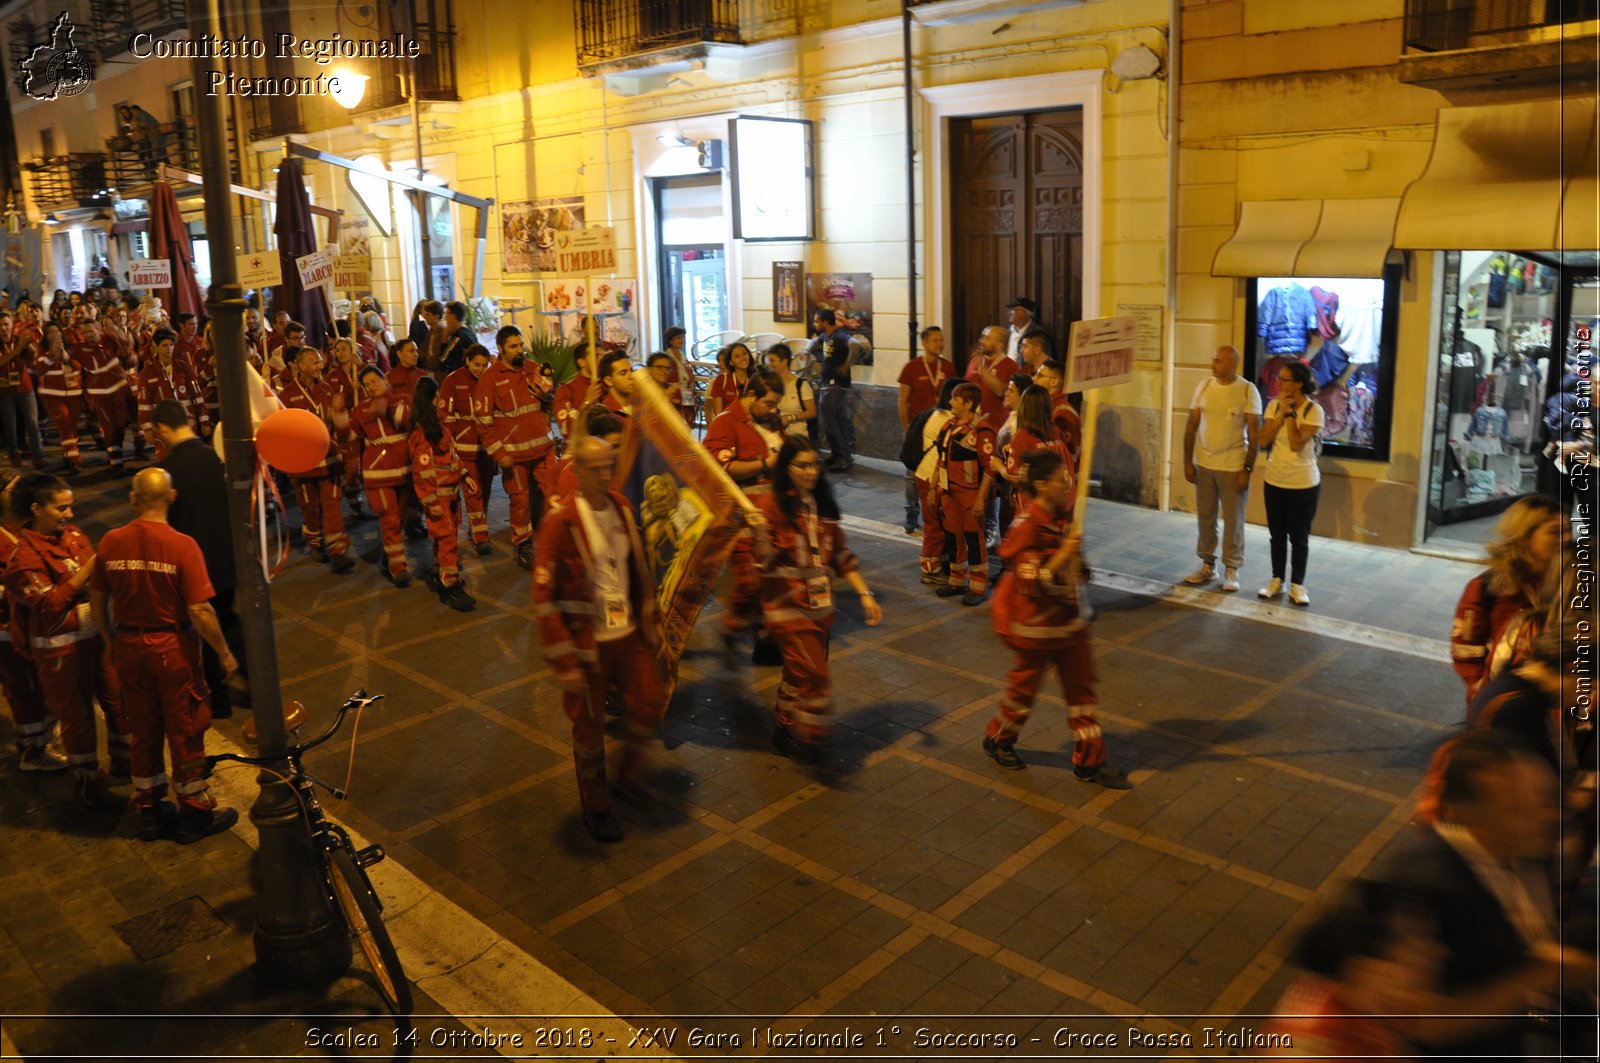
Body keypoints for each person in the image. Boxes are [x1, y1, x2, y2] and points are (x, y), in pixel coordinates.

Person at [1369, 729, 1597, 1059]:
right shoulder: (1423, 888)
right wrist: (1539, 974)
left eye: (1542, 801)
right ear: (1474, 817)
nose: (1547, 817)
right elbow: (1421, 1020)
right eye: (1519, 809)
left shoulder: (1518, 849)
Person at [89, 468, 239, 843]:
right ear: (171, 498)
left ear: (133, 498)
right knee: (185, 726)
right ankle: (194, 812)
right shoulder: (181, 545)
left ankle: (150, 811)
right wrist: (224, 652)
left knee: (143, 728)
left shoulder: (110, 541)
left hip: (129, 646)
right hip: (171, 649)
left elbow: (97, 599)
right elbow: (201, 611)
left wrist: (110, 639)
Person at [532, 435, 668, 844]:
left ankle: (626, 774)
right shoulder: (562, 522)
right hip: (588, 643)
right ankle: (596, 804)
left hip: (627, 634)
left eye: (610, 466)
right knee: (589, 731)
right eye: (596, 468)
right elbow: (543, 597)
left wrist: (652, 615)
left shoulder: (623, 509)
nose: (606, 474)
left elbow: (639, 569)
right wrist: (565, 663)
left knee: (651, 701)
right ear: (578, 470)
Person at [979, 451, 1131, 787]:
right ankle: (998, 738)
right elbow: (1033, 582)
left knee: (1082, 692)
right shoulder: (1026, 528)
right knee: (1024, 690)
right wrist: (1064, 553)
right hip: (1037, 626)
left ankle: (1090, 761)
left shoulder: (1064, 521)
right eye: (1062, 479)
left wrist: (1079, 561)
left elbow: (1080, 574)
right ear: (1042, 485)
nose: (1068, 484)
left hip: (1070, 624)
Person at [746, 437, 882, 765]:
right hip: (787, 610)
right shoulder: (772, 507)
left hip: (820, 610)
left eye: (813, 464)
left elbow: (841, 555)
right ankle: (813, 739)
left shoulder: (822, 506)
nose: (810, 471)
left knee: (796, 675)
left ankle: (783, 729)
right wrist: (761, 538)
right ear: (786, 468)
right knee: (815, 676)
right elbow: (764, 563)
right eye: (801, 465)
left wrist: (865, 595)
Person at [6, 473, 128, 808]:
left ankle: (126, 764)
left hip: (97, 639)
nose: (70, 515)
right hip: (61, 652)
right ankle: (88, 782)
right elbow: (48, 604)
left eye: (70, 506)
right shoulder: (23, 556)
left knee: (119, 703)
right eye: (61, 508)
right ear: (36, 508)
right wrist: (87, 570)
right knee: (78, 719)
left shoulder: (72, 535)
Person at [153, 400, 248, 718]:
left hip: (194, 564)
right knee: (227, 617)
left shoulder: (166, 473)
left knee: (204, 630)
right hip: (224, 557)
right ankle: (252, 677)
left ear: (163, 429)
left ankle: (219, 700)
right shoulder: (213, 457)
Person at [1449, 495, 1564, 705]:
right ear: (1525, 536)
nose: (1565, 539)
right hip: (1503, 706)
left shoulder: (1571, 582)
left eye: (1567, 531)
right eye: (1555, 532)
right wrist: (1481, 688)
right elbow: (1465, 649)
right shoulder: (1488, 587)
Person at [704, 370, 785, 662]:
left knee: (773, 577)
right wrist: (766, 463)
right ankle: (733, 627)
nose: (774, 410)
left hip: (775, 514)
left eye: (776, 405)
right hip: (742, 517)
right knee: (750, 579)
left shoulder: (772, 422)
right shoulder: (725, 423)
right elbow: (719, 469)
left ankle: (766, 639)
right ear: (751, 396)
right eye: (769, 404)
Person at [474, 325, 556, 569]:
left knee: (555, 492)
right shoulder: (490, 379)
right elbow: (483, 422)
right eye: (514, 346)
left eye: (521, 345)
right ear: (500, 349)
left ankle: (555, 538)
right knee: (519, 501)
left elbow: (550, 404)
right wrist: (499, 453)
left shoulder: (533, 370)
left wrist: (546, 397)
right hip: (514, 455)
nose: (520, 350)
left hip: (544, 449)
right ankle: (523, 545)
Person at [1182, 344, 1260, 593]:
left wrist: (1247, 469)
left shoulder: (1247, 390)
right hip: (1205, 464)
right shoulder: (1204, 386)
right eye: (1213, 360)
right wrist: (1187, 460)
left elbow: (1255, 435)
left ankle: (1232, 568)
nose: (1212, 365)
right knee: (1205, 517)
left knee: (1233, 520)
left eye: (1217, 361)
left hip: (1233, 466)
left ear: (1232, 364)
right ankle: (1207, 563)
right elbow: (1191, 425)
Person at [0, 469, 58, 771]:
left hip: (32, 627)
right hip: (8, 632)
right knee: (24, 690)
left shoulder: (26, 530)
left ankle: (39, 740)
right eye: (15, 490)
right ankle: (32, 752)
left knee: (39, 687)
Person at [277, 346, 354, 573]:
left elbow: (341, 430)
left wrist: (339, 417)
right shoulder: (286, 395)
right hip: (302, 463)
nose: (321, 366)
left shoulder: (329, 391)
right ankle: (315, 541)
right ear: (301, 366)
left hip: (329, 458)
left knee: (332, 504)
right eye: (315, 362)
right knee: (309, 506)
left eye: (321, 362)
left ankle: (338, 550)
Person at [1255, 360, 1324, 606]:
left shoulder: (1314, 411)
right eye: (1279, 379)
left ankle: (1298, 584)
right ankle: (1277, 579)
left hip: (1303, 483)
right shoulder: (1274, 406)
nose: (1278, 383)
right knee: (1277, 535)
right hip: (1275, 479)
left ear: (1298, 384)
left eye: (1284, 379)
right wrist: (1278, 415)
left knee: (1299, 536)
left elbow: (1296, 443)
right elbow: (1262, 440)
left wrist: (1291, 414)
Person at [409, 377, 476, 612]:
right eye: (437, 398)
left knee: (445, 539)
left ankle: (441, 574)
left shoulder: (441, 431)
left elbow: (452, 460)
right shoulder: (425, 435)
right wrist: (431, 501)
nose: (442, 403)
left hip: (449, 495)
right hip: (439, 497)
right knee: (447, 541)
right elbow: (422, 470)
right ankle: (451, 585)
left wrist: (465, 476)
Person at [932, 382, 997, 606]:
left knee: (973, 539)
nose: (950, 402)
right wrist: (934, 488)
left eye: (954, 399)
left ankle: (978, 586)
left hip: (970, 495)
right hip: (949, 493)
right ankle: (957, 580)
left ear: (968, 404)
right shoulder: (949, 426)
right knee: (952, 536)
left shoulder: (982, 431)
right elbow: (940, 458)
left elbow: (990, 468)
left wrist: (980, 498)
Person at [350, 366, 413, 587]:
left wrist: (388, 408)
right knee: (390, 519)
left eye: (374, 381)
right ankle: (399, 567)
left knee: (400, 517)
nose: (371, 387)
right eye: (366, 384)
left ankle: (390, 553)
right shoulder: (359, 410)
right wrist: (339, 419)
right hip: (378, 475)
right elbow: (351, 437)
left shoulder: (402, 399)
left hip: (404, 472)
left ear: (385, 380)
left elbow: (407, 421)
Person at [898, 326, 956, 535]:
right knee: (912, 474)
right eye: (935, 341)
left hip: (941, 429)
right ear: (924, 343)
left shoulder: (948, 368)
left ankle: (936, 513)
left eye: (941, 340)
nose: (940, 344)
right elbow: (903, 401)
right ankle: (911, 513)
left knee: (939, 472)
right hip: (917, 430)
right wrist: (906, 430)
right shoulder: (911, 368)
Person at [438, 344, 495, 556]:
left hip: (488, 447)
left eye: (484, 365)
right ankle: (481, 537)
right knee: (474, 490)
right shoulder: (452, 381)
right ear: (467, 361)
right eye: (477, 364)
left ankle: (477, 525)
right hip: (464, 448)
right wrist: (450, 446)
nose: (481, 369)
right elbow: (445, 419)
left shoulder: (490, 380)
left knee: (486, 490)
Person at [911, 378, 959, 583]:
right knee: (935, 524)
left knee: (934, 522)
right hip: (932, 476)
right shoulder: (946, 420)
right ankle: (930, 568)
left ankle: (934, 562)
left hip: (926, 473)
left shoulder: (935, 414)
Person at [71, 318, 131, 475]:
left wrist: (117, 332)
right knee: (109, 426)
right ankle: (116, 463)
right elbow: (70, 364)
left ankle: (115, 453)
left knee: (121, 425)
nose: (88, 335)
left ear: (98, 328)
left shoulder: (109, 340)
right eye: (84, 332)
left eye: (90, 331)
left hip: (119, 390)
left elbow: (127, 350)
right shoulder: (78, 349)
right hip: (98, 395)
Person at [807, 310, 862, 473]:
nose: (814, 324)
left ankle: (843, 457)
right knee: (837, 420)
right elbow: (814, 342)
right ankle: (839, 455)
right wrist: (805, 350)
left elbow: (855, 344)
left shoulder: (839, 336)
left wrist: (847, 364)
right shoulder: (826, 336)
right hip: (829, 384)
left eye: (817, 321)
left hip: (835, 384)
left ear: (825, 322)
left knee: (830, 421)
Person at [136, 327, 210, 445]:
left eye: (171, 345)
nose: (168, 349)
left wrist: (204, 421)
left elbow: (197, 397)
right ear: (156, 347)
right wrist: (147, 428)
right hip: (164, 426)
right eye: (164, 345)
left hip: (187, 423)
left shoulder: (184, 367)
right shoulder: (147, 372)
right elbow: (144, 404)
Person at [33, 322, 85, 474]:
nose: (55, 335)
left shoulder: (71, 348)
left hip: (74, 394)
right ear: (46, 336)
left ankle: (68, 454)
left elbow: (79, 366)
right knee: (65, 424)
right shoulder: (42, 352)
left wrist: (68, 359)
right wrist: (53, 356)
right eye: (50, 333)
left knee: (71, 427)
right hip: (52, 396)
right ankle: (74, 461)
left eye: (57, 332)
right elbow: (39, 369)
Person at [0, 310, 45, 469]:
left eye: (6, 324)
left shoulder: (20, 340)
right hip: (5, 391)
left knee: (32, 422)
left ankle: (38, 455)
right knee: (9, 424)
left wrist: (30, 346)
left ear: (12, 325)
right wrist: (16, 351)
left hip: (25, 388)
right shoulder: (14, 346)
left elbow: (34, 355)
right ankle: (14, 454)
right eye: (0, 326)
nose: (3, 329)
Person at [965, 326, 1017, 433]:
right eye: (982, 337)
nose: (981, 341)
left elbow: (1001, 391)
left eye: (987, 338)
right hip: (971, 425)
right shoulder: (975, 361)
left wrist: (983, 369)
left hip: (995, 427)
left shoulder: (1011, 366)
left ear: (1000, 345)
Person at [764, 344, 815, 441]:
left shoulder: (801, 385)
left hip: (797, 438)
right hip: (776, 438)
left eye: (772, 361)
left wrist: (790, 418)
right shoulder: (769, 384)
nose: (770, 365)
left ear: (784, 361)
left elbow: (811, 412)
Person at [706, 342, 753, 424]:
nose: (743, 358)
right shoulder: (721, 380)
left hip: (749, 429)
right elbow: (719, 415)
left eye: (744, 353)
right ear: (731, 362)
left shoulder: (755, 380)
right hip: (728, 429)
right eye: (737, 356)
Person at [659, 326, 697, 426]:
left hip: (687, 396)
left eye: (683, 337)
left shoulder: (683, 355)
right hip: (673, 398)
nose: (682, 340)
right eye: (678, 337)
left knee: (687, 425)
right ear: (670, 340)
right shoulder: (665, 358)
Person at [1005, 296, 1048, 365]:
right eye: (1010, 310)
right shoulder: (1009, 330)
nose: (1009, 313)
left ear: (1027, 313)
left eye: (1015, 310)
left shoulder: (1038, 334)